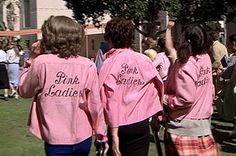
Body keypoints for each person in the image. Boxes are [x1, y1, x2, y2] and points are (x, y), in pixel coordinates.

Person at [18, 15, 108, 156]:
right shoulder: (87, 65)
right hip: (82, 137)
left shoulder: (41, 63)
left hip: (55, 138)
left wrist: (31, 59)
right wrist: (101, 133)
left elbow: (24, 91)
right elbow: (95, 105)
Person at [99, 17, 164, 156]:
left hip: (117, 125)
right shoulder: (143, 60)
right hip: (140, 123)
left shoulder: (109, 63)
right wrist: (156, 115)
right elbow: (156, 88)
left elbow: (109, 99)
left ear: (109, 38)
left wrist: (114, 134)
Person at [164, 21, 218, 155]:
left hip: (184, 128)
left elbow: (185, 99)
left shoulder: (186, 66)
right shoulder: (205, 59)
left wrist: (164, 99)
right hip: (202, 124)